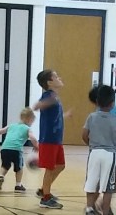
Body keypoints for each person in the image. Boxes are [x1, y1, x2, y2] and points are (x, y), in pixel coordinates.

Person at [82, 85, 116, 215]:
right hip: (109, 153)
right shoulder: (115, 118)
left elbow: (84, 135)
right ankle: (102, 208)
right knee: (108, 187)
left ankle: (90, 208)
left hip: (95, 152)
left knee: (92, 181)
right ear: (112, 103)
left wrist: (92, 145)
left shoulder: (92, 116)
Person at [32, 69, 66, 209]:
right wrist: (43, 104)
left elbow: (55, 116)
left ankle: (43, 190)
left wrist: (65, 115)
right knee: (50, 169)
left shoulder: (54, 97)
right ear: (49, 82)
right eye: (56, 77)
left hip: (56, 139)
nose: (60, 78)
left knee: (61, 165)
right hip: (48, 139)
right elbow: (36, 106)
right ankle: (45, 199)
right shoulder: (48, 95)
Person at [0, 107, 39, 193]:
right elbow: (32, 138)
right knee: (19, 168)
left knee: (5, 165)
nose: (32, 124)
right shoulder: (27, 128)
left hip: (4, 148)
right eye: (32, 121)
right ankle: (18, 185)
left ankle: (1, 176)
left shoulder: (11, 125)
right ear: (29, 119)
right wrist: (36, 146)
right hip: (16, 150)